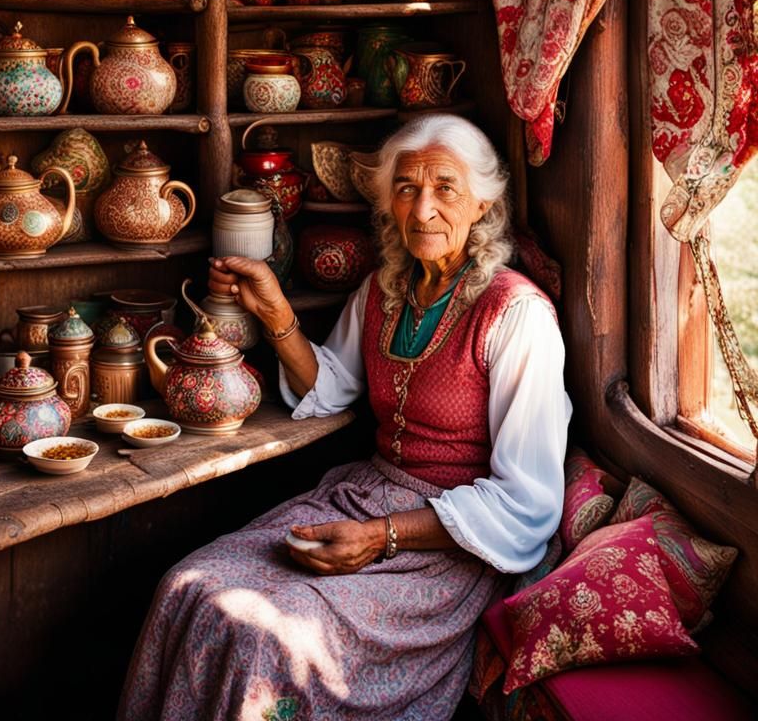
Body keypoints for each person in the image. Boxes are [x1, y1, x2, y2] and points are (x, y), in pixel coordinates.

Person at [118, 115, 571, 721]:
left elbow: (527, 502)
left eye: (445, 187)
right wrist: (276, 310)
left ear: (483, 201)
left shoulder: (517, 315)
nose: (424, 208)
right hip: (361, 500)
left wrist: (383, 537)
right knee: (189, 585)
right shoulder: (385, 289)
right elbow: (332, 387)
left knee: (263, 638)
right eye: (407, 188)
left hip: (449, 544)